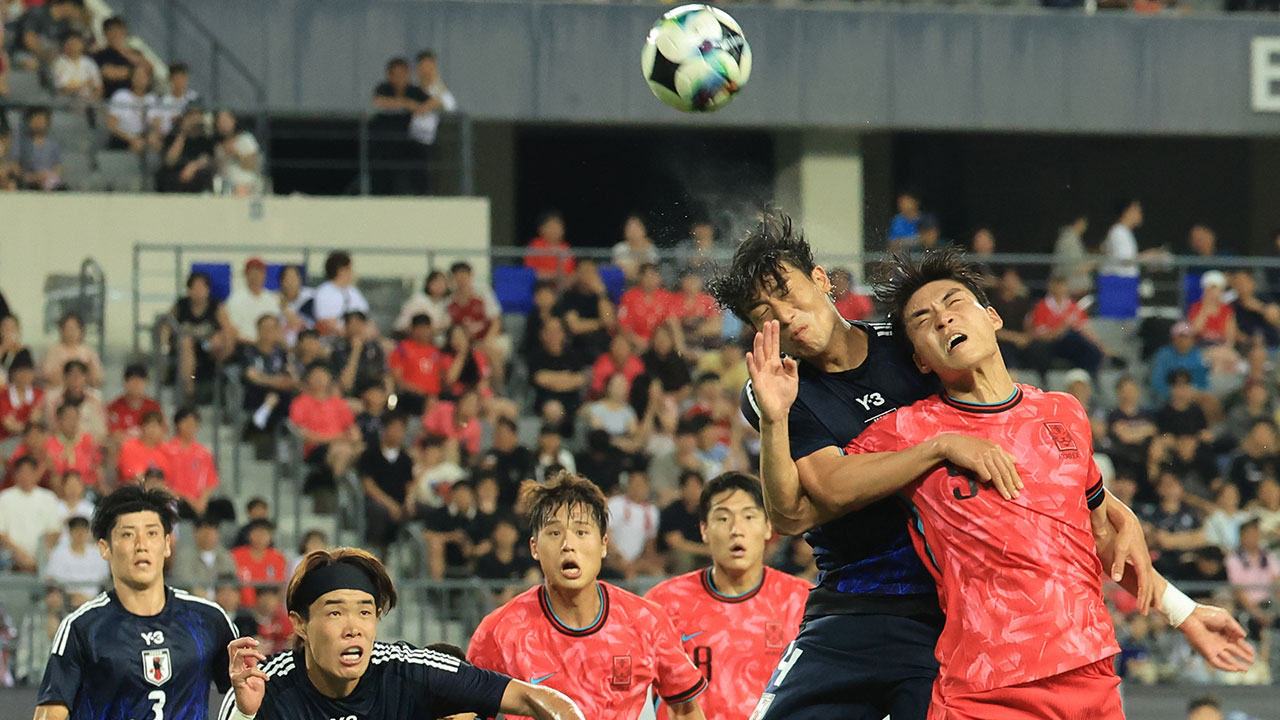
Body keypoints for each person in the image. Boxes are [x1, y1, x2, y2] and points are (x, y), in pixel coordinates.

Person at [706, 209, 1248, 719]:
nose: (786, 316)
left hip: (951, 622)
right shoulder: (804, 395)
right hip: (857, 609)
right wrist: (938, 447)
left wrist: (1106, 503)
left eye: (787, 293)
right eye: (764, 314)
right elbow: (799, 509)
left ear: (822, 279)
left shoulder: (922, 345)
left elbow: (1057, 499)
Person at [220, 547, 586, 720]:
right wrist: (244, 714)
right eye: (335, 612)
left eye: (365, 612)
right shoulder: (265, 687)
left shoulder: (407, 669)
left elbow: (539, 701)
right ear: (300, 623)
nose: (353, 628)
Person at [468, 472, 708, 720]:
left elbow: (685, 708)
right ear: (534, 548)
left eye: (581, 532)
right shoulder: (498, 632)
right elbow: (466, 713)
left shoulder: (646, 620)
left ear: (604, 544)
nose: (567, 544)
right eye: (554, 533)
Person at [34, 485, 237, 720]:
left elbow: (246, 697)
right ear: (105, 548)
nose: (141, 544)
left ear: (167, 544)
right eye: (128, 534)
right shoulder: (82, 628)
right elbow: (49, 714)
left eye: (151, 533)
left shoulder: (209, 619)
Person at [646, 472, 810, 720]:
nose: (736, 530)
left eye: (748, 516)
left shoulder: (802, 601)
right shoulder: (662, 603)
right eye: (723, 518)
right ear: (703, 530)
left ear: (768, 527)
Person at [226, 258, 280, 342]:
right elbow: (233, 330)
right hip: (245, 345)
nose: (256, 275)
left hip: (269, 346)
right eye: (253, 272)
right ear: (246, 274)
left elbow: (277, 326)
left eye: (259, 272)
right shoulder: (235, 299)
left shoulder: (272, 298)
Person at [524, 210, 576, 280]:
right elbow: (530, 272)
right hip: (541, 286)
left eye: (557, 227)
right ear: (541, 229)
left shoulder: (567, 248)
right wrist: (554, 276)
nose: (554, 230)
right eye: (550, 227)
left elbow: (571, 273)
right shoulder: (535, 246)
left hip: (565, 286)